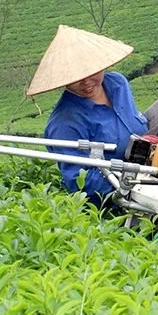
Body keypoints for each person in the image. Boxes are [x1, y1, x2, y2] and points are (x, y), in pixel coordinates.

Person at [27, 25, 147, 207]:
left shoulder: (118, 84)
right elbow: (80, 183)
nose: (86, 82)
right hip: (120, 202)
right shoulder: (65, 123)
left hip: (151, 174)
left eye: (92, 71)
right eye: (75, 77)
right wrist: (136, 185)